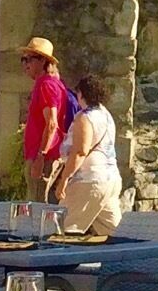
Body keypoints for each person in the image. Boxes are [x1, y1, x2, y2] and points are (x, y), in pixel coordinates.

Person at [53, 73, 122, 237]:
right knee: (117, 234)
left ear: (81, 94)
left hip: (88, 180)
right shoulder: (106, 115)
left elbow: (80, 151)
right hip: (110, 180)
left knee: (61, 228)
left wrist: (64, 179)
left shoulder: (85, 117)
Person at [19, 36, 74, 194]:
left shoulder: (46, 85)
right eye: (23, 59)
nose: (25, 64)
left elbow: (51, 123)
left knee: (38, 204)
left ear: (43, 61)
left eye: (30, 59)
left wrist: (40, 156)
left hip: (45, 157)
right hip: (48, 155)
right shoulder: (52, 83)